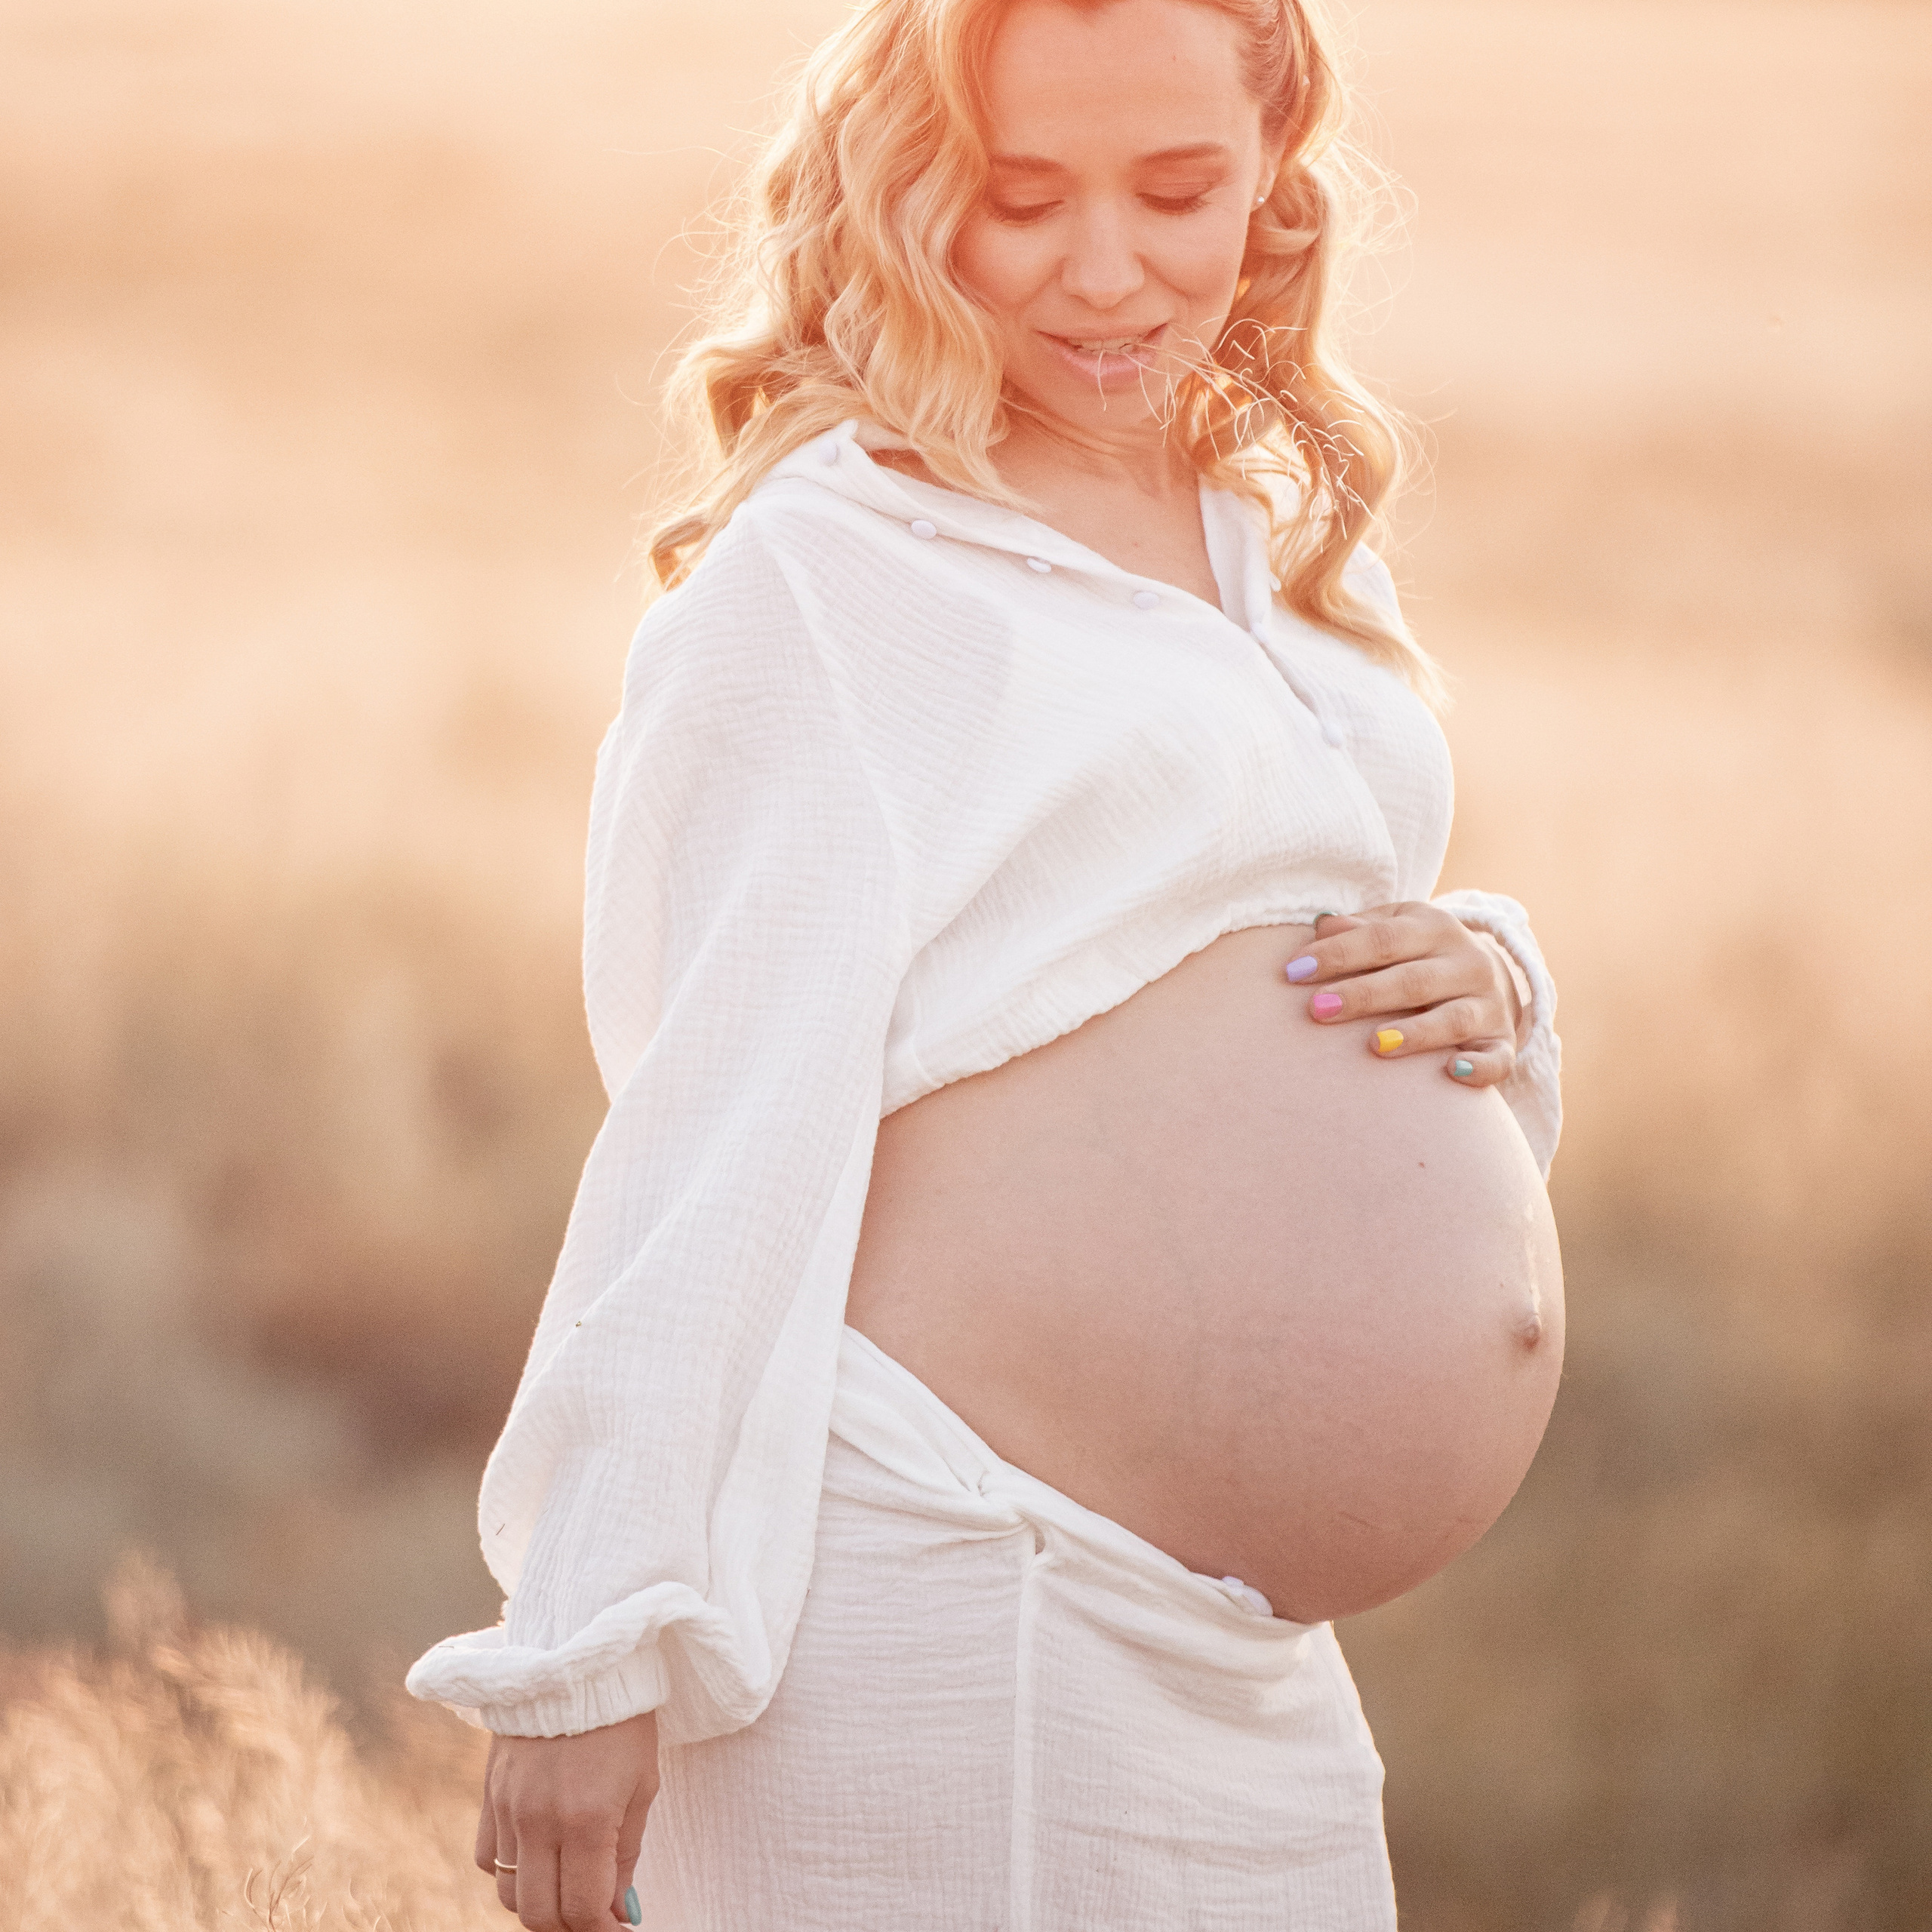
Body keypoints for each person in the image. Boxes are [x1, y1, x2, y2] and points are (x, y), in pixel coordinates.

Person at [408, 0, 1567, 1925]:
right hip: (953, 1598)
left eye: (1178, 189)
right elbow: (715, 1116)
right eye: (1022, 199)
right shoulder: (836, 571)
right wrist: (594, 1629)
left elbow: (1213, 934)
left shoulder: (1260, 534)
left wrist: (1486, 975)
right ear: (910, 197)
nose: (1109, 268)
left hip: (1241, 1666)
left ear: (1274, 174)